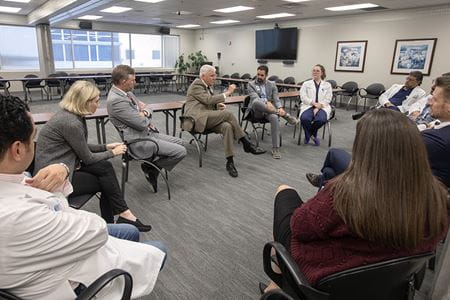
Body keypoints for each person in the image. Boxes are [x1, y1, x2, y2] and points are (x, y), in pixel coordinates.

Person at [261, 109, 449, 293]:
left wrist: (327, 190)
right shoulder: (437, 197)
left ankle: (279, 284)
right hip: (388, 282)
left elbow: (300, 228)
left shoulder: (346, 193)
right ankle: (276, 286)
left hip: (328, 280)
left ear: (363, 148)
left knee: (284, 191)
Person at [0, 94, 166, 299]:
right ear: (17, 149)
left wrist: (64, 167)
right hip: (63, 277)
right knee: (159, 249)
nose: (99, 103)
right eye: (32, 138)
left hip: (42, 257)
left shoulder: (15, 183)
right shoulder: (19, 216)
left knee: (128, 228)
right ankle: (123, 212)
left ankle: (124, 213)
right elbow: (94, 231)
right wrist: (65, 169)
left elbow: (81, 150)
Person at [34, 80, 152, 232]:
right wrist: (112, 152)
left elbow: (78, 146)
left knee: (105, 170)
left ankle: (121, 218)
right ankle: (120, 219)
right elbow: (87, 158)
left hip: (67, 165)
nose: (98, 104)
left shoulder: (72, 116)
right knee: (106, 182)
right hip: (54, 178)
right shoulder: (71, 122)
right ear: (84, 102)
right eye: (96, 101)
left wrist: (104, 147)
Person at [308, 76, 450, 189]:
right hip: (405, 179)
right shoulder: (439, 128)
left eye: (435, 99)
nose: (429, 102)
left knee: (334, 154)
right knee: (330, 173)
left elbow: (383, 159)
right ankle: (327, 182)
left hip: (388, 184)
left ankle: (325, 182)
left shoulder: (435, 141)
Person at [107, 64, 186, 192]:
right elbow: (142, 123)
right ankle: (151, 168)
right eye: (133, 80)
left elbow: (147, 107)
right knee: (180, 151)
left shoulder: (127, 93)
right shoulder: (116, 100)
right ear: (123, 81)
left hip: (147, 133)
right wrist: (144, 114)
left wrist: (144, 112)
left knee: (181, 143)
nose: (135, 82)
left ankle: (152, 168)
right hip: (138, 141)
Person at [184, 64, 265, 178]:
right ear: (203, 76)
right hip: (196, 120)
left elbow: (207, 103)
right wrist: (227, 93)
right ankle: (246, 143)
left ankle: (230, 162)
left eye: (215, 75)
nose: (215, 77)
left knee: (227, 126)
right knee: (228, 114)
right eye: (212, 75)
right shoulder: (197, 84)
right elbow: (207, 100)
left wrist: (217, 106)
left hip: (206, 117)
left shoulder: (207, 86)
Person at [247, 65, 298, 159]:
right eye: (258, 74)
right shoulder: (251, 84)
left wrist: (280, 107)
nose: (259, 77)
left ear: (266, 75)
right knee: (256, 102)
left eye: (262, 75)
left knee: (274, 117)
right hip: (256, 111)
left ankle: (275, 148)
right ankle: (286, 116)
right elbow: (255, 97)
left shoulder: (272, 84)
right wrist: (266, 102)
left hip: (269, 112)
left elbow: (276, 98)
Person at [299, 64, 333, 146]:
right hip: (308, 105)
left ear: (322, 73)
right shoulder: (306, 84)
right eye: (313, 70)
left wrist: (319, 106)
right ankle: (313, 136)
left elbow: (328, 98)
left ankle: (309, 135)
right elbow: (303, 97)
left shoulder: (327, 85)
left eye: (317, 71)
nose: (315, 72)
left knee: (321, 120)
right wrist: (313, 103)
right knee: (304, 118)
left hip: (322, 107)